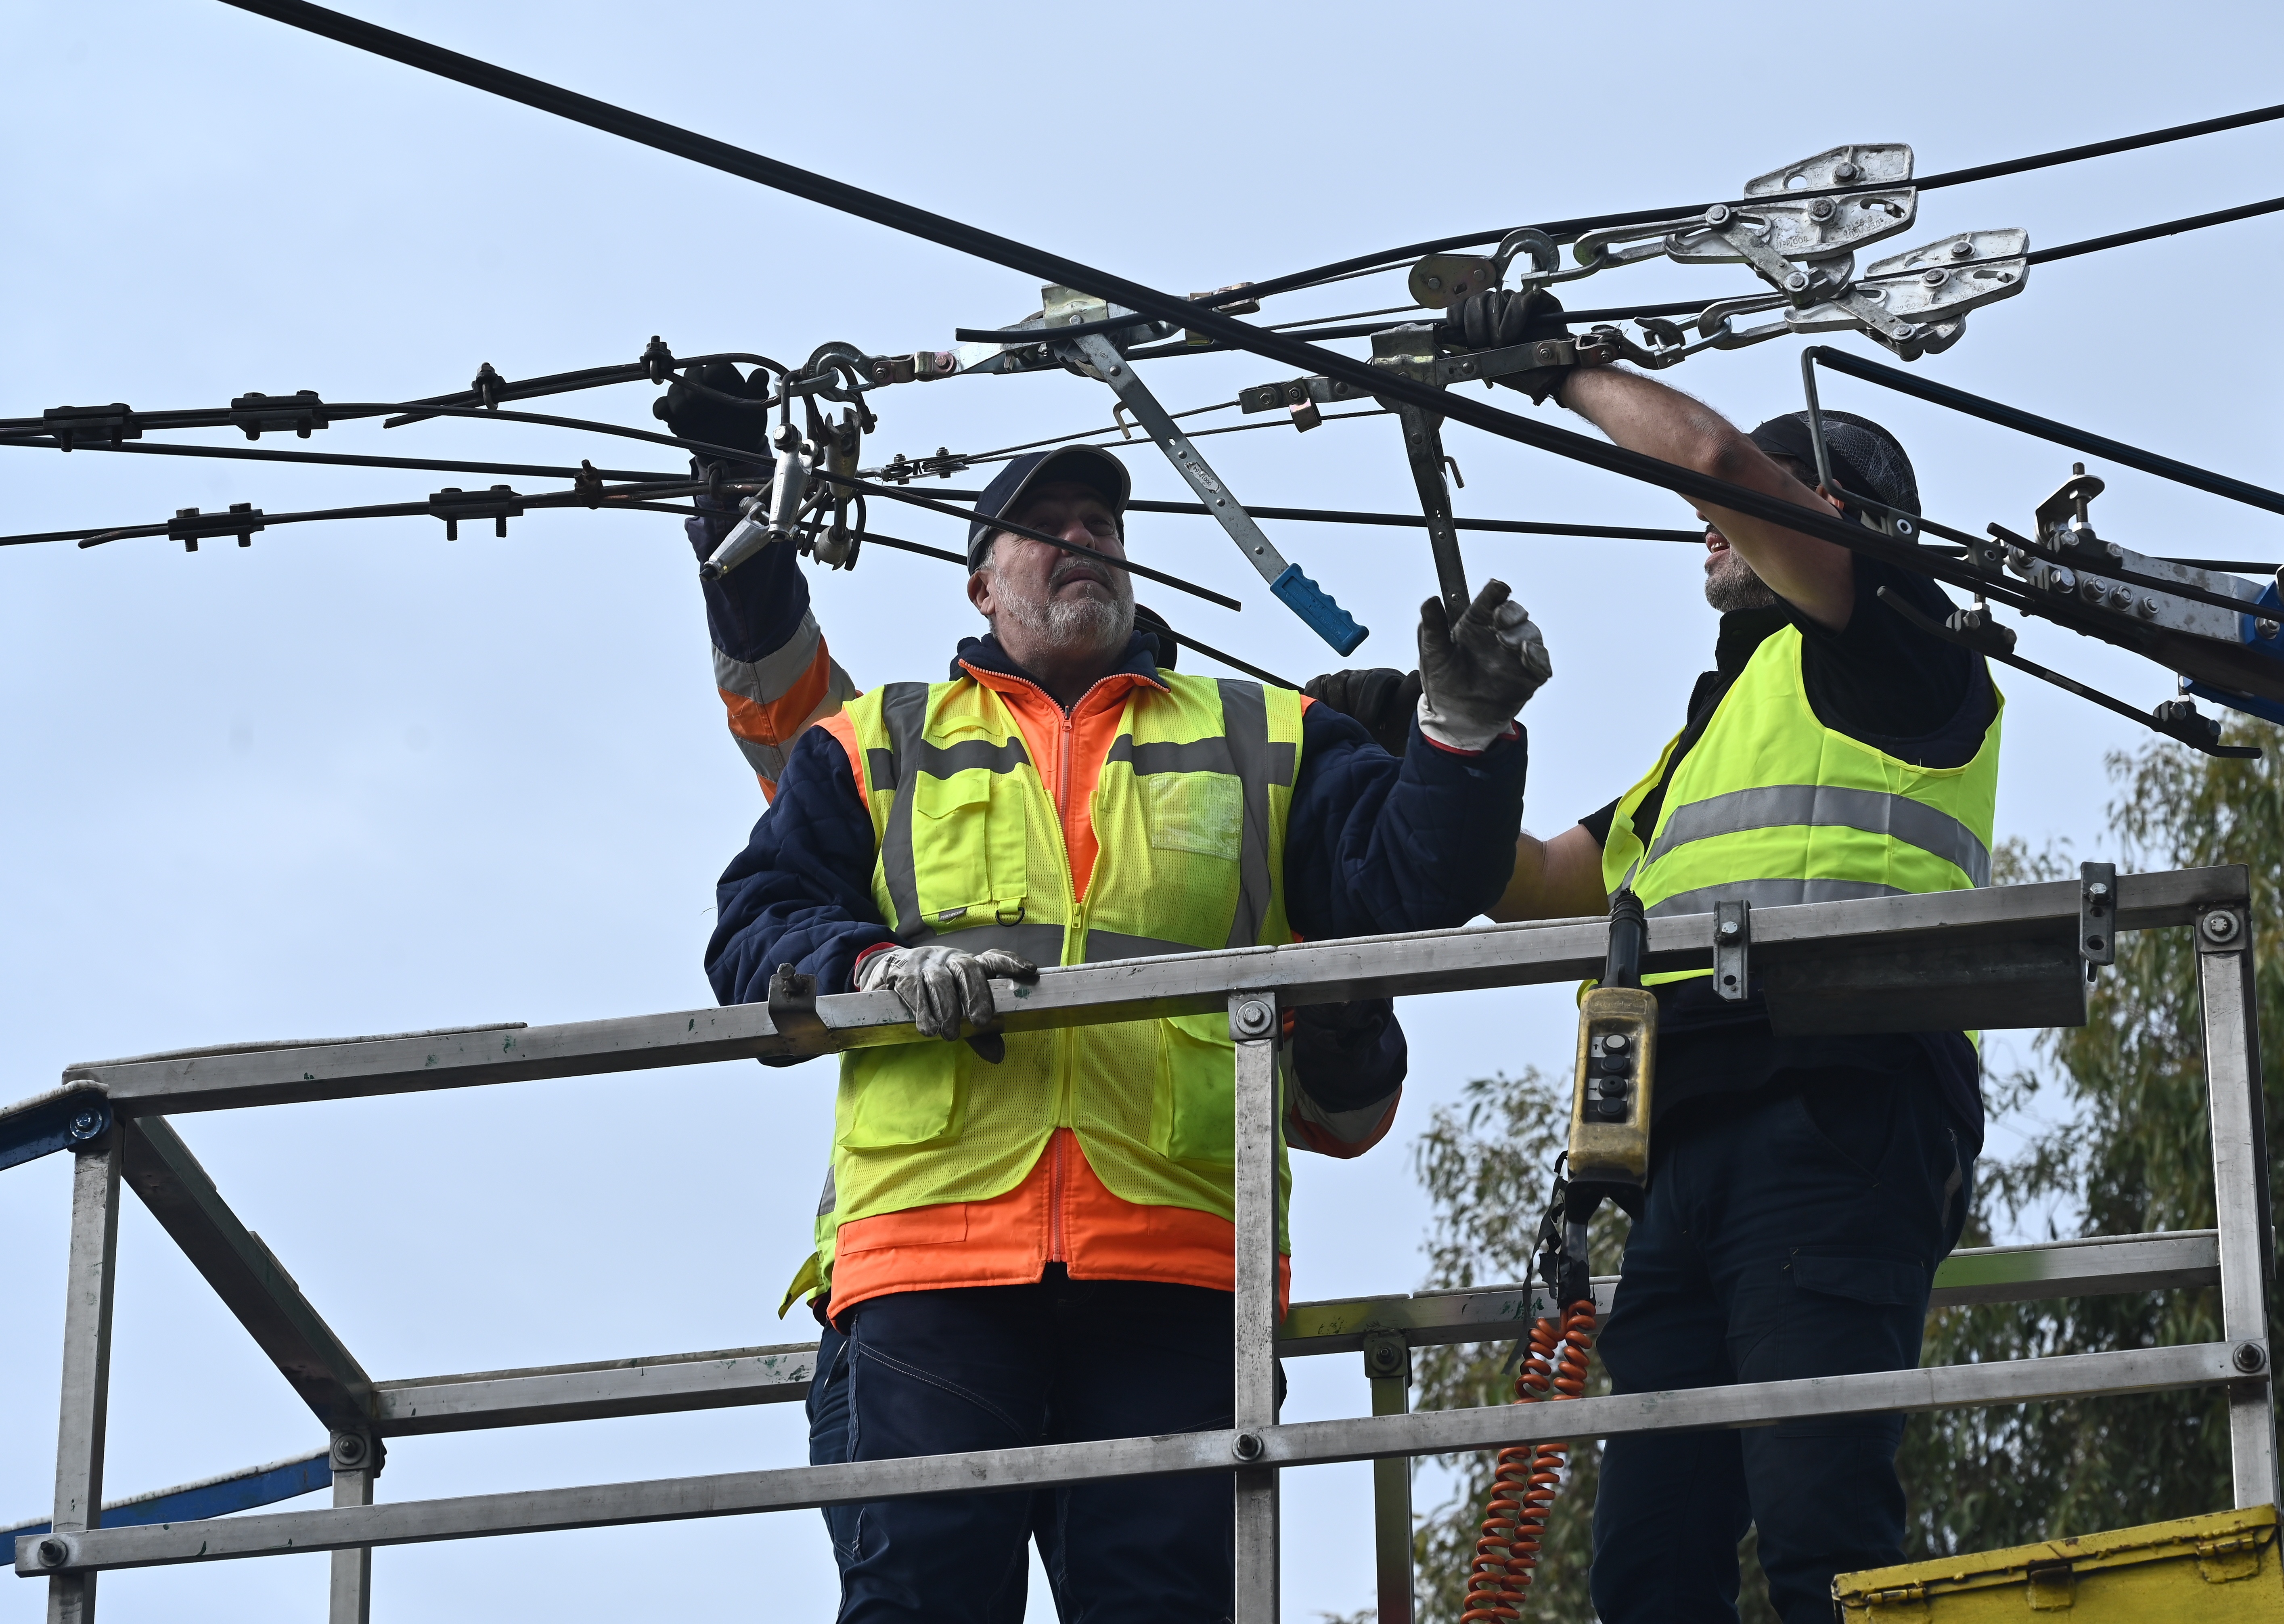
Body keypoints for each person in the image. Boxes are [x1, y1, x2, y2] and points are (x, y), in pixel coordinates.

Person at [687, 359, 1550, 1619]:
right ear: (981, 582)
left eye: (1104, 526)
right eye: (1048, 527)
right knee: (923, 1601)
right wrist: (876, 968)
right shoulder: (880, 739)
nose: (1083, 539)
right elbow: (753, 930)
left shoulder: (1263, 733)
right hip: (936, 1262)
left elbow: (1407, 880)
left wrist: (1460, 737)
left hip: (1174, 1265)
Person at [1309, 290, 2000, 1624]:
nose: (1715, 524)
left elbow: (1723, 468)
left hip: (1837, 1107)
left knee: (1821, 1528)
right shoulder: (1709, 740)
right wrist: (1437, 750)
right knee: (1651, 1570)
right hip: (1686, 1155)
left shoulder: (1901, 653)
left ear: (1842, 522)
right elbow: (1538, 886)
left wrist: (1569, 370)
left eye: (1773, 498)